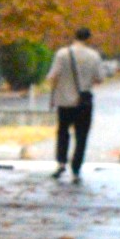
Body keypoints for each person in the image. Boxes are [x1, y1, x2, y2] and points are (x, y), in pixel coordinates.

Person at [47, 27, 107, 182]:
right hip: (84, 102)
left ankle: (61, 162)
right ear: (89, 39)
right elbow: (100, 78)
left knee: (63, 132)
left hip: (64, 101)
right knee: (81, 136)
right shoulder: (94, 56)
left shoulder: (62, 54)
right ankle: (76, 168)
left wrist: (53, 96)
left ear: (75, 36)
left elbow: (53, 76)